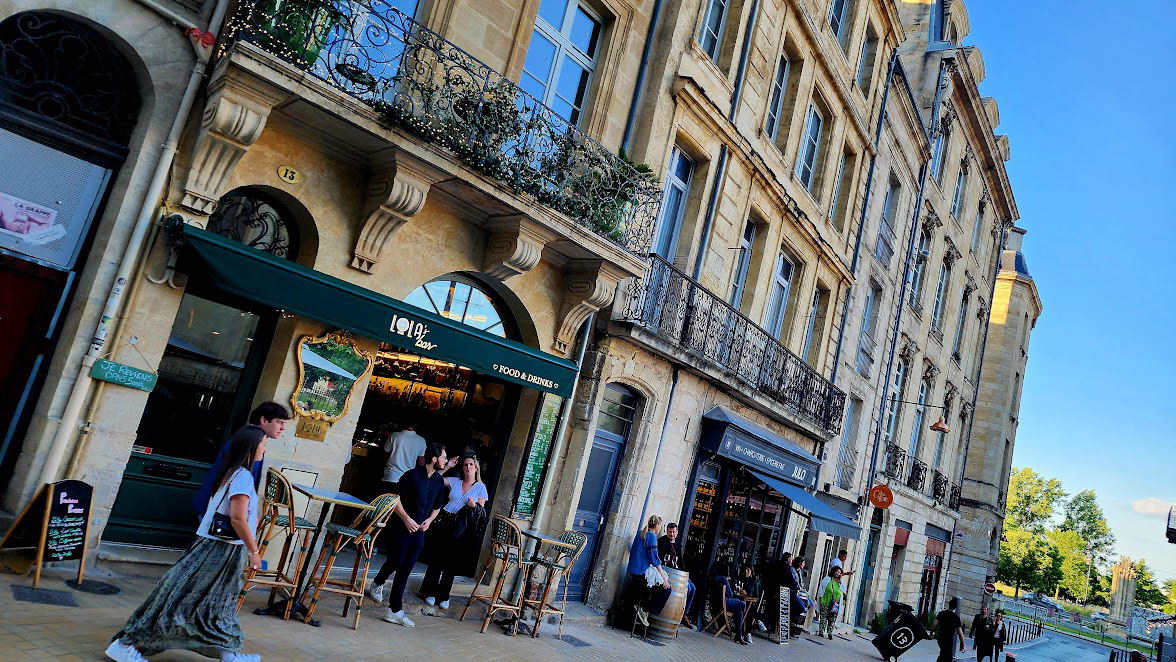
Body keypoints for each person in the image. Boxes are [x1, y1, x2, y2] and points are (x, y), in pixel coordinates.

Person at [106, 427, 266, 662]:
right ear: (251, 447)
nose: (264, 448)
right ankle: (126, 644)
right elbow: (238, 517)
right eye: (263, 443)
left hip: (221, 548)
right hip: (219, 548)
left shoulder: (231, 471)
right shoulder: (242, 476)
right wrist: (254, 550)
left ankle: (227, 653)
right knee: (182, 597)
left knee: (217, 602)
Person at [368, 443, 449, 627]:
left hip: (419, 532)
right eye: (444, 457)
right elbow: (395, 500)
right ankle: (378, 582)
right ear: (434, 459)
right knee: (396, 562)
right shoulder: (410, 476)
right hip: (402, 527)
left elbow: (438, 505)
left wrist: (429, 521)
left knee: (405, 569)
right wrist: (406, 519)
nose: (445, 460)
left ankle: (394, 610)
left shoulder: (438, 481)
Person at [192, 402, 288, 518]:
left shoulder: (249, 438)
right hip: (216, 516)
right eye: (279, 422)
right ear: (263, 420)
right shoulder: (249, 443)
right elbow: (238, 488)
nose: (282, 428)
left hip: (215, 511)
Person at [419, 454, 488, 612]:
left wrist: (473, 506)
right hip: (444, 522)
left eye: (471, 464)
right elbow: (435, 477)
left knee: (451, 563)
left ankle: (444, 596)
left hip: (460, 528)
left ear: (476, 467)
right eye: (465, 465)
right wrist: (448, 466)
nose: (468, 467)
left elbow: (481, 514)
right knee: (437, 559)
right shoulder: (456, 481)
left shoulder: (480, 488)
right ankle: (431, 592)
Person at [626, 515, 670, 627]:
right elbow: (654, 559)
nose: (660, 528)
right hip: (641, 571)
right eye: (660, 525)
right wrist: (664, 578)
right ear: (656, 525)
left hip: (633, 569)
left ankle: (642, 606)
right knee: (666, 589)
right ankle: (645, 609)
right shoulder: (651, 536)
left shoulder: (640, 533)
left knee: (655, 583)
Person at [657, 522, 695, 628]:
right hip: (668, 572)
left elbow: (680, 560)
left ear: (677, 532)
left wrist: (685, 574)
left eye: (673, 532)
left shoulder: (677, 543)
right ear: (666, 531)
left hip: (678, 572)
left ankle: (684, 614)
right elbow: (659, 559)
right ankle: (681, 613)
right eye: (670, 532)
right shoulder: (662, 542)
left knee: (693, 589)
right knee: (688, 588)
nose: (672, 534)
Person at [713, 563, 750, 645]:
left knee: (739, 612)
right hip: (723, 602)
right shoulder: (723, 579)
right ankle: (742, 633)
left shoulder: (716, 578)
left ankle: (739, 635)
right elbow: (730, 594)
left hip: (717, 602)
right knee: (742, 604)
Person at [930, 597, 966, 662]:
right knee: (947, 656)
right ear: (956, 607)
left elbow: (934, 624)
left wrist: (931, 632)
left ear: (949, 605)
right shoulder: (956, 617)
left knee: (943, 653)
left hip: (941, 636)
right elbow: (960, 633)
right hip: (949, 638)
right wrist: (963, 644)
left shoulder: (942, 613)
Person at [816, 566, 844, 639]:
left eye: (840, 572)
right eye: (837, 571)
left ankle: (830, 633)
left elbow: (843, 590)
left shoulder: (839, 583)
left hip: (835, 605)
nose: (838, 573)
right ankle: (821, 631)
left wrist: (840, 581)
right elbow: (821, 588)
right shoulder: (827, 579)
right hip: (825, 601)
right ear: (834, 571)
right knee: (823, 618)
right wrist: (821, 598)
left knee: (832, 619)